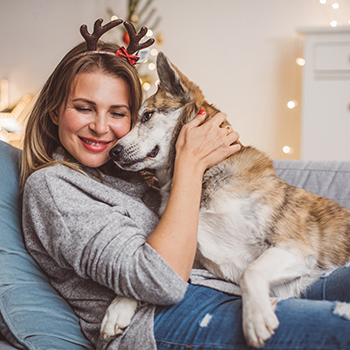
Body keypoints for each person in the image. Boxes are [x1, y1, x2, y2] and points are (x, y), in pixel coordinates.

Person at [21, 19, 350, 350]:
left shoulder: (140, 177)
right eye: (83, 108)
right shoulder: (53, 187)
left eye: (119, 113)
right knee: (340, 326)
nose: (101, 127)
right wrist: (190, 164)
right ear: (54, 111)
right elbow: (159, 280)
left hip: (230, 288)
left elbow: (176, 247)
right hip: (156, 322)